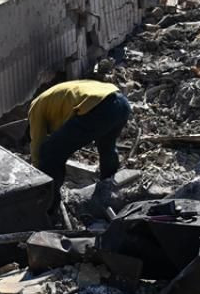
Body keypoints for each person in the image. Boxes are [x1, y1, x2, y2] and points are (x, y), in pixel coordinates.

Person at [28, 80, 131, 209]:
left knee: (50, 150)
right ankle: (109, 188)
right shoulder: (54, 103)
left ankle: (50, 204)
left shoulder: (35, 107)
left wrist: (38, 174)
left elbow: (37, 142)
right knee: (107, 146)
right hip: (121, 103)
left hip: (99, 107)